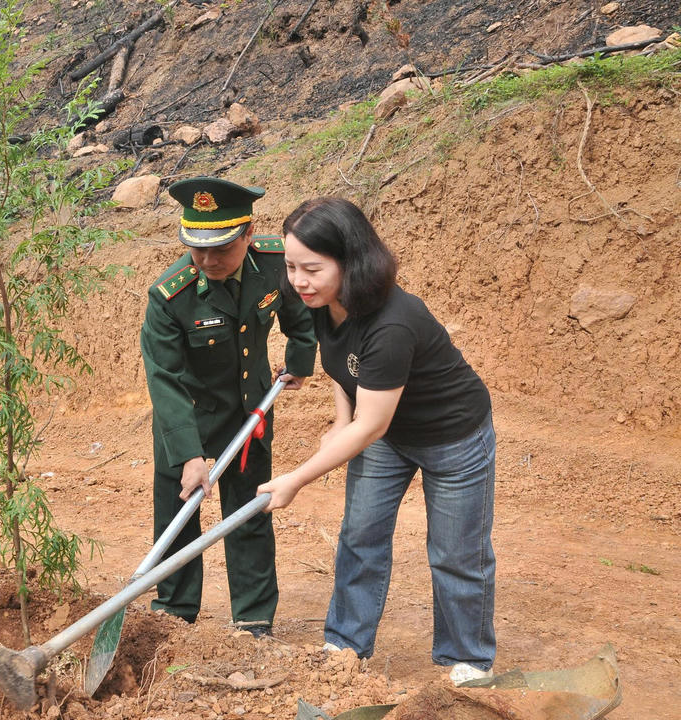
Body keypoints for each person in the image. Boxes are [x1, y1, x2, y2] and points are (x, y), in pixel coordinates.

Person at [256, 196, 495, 685]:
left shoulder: (392, 322)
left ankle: (466, 661)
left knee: (455, 552)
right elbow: (346, 369)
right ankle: (344, 647)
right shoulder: (324, 302)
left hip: (452, 437)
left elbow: (372, 426)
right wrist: (340, 419)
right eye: (291, 266)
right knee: (360, 535)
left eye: (311, 268)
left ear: (351, 261)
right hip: (385, 428)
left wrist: (297, 479)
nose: (298, 280)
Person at [141, 177, 317, 638]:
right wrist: (189, 456)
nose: (208, 260)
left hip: (250, 413)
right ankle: (174, 616)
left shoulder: (274, 262)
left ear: (247, 234)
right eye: (198, 250)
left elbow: (299, 312)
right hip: (187, 419)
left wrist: (300, 359)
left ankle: (254, 620)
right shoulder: (169, 298)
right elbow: (165, 381)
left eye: (220, 248)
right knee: (177, 521)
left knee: (250, 514)